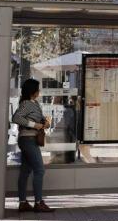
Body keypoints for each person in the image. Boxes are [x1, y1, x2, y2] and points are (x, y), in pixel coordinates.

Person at [12, 78, 54, 212]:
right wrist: (35, 125)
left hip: (31, 139)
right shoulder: (26, 103)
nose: (39, 91)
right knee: (39, 170)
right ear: (33, 91)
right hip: (28, 139)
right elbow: (16, 118)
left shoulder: (34, 103)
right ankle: (38, 202)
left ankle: (23, 202)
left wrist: (45, 122)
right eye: (37, 88)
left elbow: (38, 119)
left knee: (25, 171)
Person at [61, 96, 77, 163]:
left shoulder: (68, 110)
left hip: (69, 134)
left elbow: (66, 125)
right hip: (70, 134)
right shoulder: (72, 109)